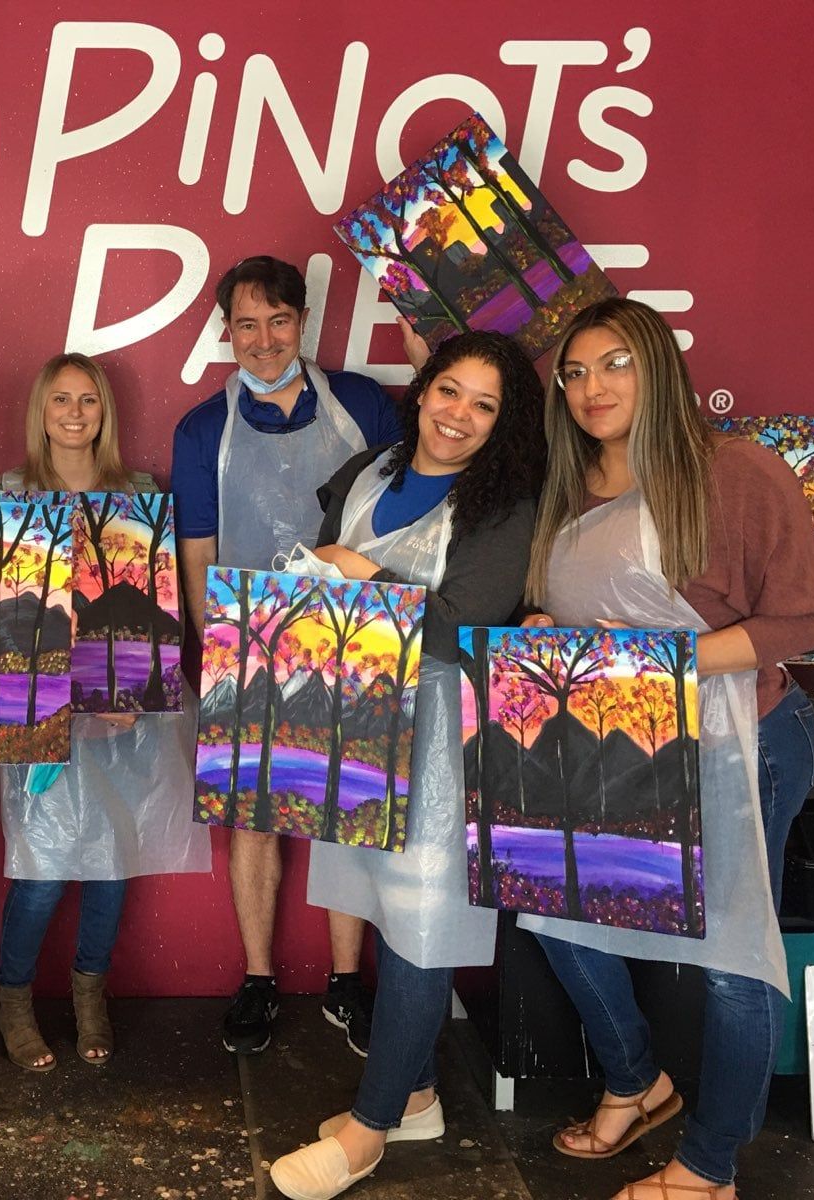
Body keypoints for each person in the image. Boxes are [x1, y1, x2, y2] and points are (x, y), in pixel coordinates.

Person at [519, 298, 814, 1200]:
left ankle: (709, 1166)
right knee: (553, 912)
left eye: (615, 364)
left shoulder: (735, 471)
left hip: (744, 743)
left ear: (659, 367)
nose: (591, 388)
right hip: (611, 738)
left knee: (733, 958)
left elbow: (805, 617)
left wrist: (671, 660)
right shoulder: (567, 486)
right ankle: (636, 1081)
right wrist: (547, 626)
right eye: (575, 372)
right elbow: (578, 613)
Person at [267, 331, 547, 1199]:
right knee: (380, 904)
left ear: (505, 425)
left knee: (426, 919)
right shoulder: (371, 471)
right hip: (350, 719)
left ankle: (371, 1128)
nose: (457, 414)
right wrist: (334, 575)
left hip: (439, 734)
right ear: (421, 389)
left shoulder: (504, 500)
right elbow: (308, 578)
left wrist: (354, 572)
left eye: (483, 404)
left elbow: (468, 624)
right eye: (447, 390)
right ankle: (419, 1094)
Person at [172, 256, 402, 1057]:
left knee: (349, 814)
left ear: (301, 322)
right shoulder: (203, 429)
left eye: (278, 321)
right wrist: (216, 656)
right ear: (226, 332)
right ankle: (259, 977)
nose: (263, 340)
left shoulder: (365, 404)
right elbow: (196, 553)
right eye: (246, 324)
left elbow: (404, 520)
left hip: (357, 636)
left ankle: (346, 982)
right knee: (253, 821)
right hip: (247, 647)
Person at [0, 353, 211, 1069]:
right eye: (62, 399)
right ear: (41, 411)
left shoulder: (141, 494)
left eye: (89, 400)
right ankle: (13, 997)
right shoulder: (11, 496)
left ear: (104, 412)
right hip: (40, 716)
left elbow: (157, 607)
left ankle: (92, 992)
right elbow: (5, 619)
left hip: (127, 718)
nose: (76, 413)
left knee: (114, 858)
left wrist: (130, 693)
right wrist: (61, 697)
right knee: (43, 868)